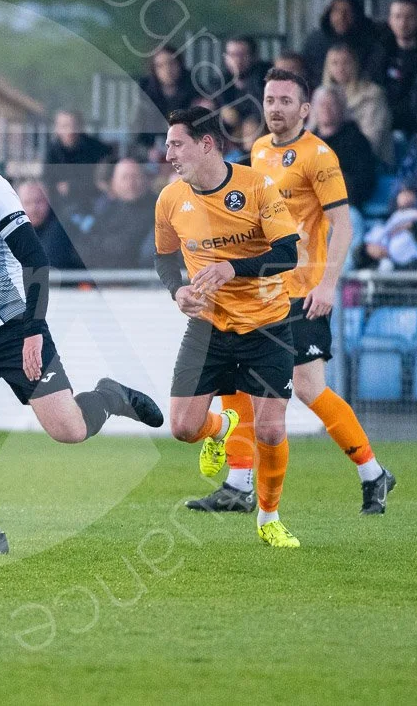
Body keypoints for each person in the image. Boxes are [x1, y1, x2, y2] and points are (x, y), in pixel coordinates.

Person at [0, 107, 163, 555]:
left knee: (69, 431)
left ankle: (109, 396)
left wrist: (33, 330)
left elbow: (36, 260)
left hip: (12, 331)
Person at [190, 70, 395, 517]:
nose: (275, 108)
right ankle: (238, 485)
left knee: (308, 388)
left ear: (304, 109)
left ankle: (373, 472)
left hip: (304, 294)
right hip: (263, 293)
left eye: (285, 100)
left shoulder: (319, 156)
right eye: (269, 100)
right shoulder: (259, 151)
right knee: (236, 378)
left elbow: (343, 224)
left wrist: (328, 284)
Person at [155, 105, 304, 546]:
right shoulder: (170, 199)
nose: (168, 155)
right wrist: (176, 291)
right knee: (182, 428)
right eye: (167, 145)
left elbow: (288, 254)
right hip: (208, 328)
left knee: (270, 430)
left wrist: (231, 269)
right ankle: (219, 429)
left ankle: (268, 517)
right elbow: (164, 258)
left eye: (176, 144)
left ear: (206, 144)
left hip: (267, 325)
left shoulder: (256, 186)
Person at [368, 0, 417, 137]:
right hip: (387, 122)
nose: (403, 23)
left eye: (409, 17)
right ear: (390, 21)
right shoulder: (380, 51)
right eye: (397, 17)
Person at [76, 157, 156, 270]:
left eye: (135, 176)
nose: (131, 183)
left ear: (144, 179)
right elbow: (87, 247)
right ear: (114, 183)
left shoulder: (158, 209)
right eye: (125, 178)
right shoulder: (103, 212)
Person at [307, 85, 378, 207]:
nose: (326, 109)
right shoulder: (305, 142)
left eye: (332, 104)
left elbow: (364, 182)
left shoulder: (356, 140)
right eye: (322, 104)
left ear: (341, 108)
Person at [322, 43, 392, 164]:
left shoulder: (372, 94)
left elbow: (373, 138)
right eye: (334, 63)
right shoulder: (322, 94)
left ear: (355, 65)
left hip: (367, 159)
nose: (340, 68)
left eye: (346, 62)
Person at [41, 109, 113, 218]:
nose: (70, 130)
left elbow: (101, 183)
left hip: (94, 205)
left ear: (81, 126)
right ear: (57, 128)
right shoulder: (52, 151)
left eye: (74, 125)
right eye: (65, 126)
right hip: (62, 208)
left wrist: (71, 187)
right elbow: (47, 183)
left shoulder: (98, 149)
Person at [300, 0, 380, 84]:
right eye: (336, 11)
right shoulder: (315, 41)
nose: (341, 17)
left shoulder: (370, 41)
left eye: (348, 12)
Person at [137, 46, 198, 151]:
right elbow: (138, 133)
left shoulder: (194, 88)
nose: (167, 70)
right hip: (153, 152)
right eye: (160, 66)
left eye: (172, 63)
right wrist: (148, 150)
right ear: (154, 70)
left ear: (180, 64)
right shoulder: (145, 93)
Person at [17, 179, 84, 271]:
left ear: (48, 201)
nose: (34, 208)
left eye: (38, 201)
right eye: (27, 203)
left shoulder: (64, 230)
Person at [215, 36, 270, 129]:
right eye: (232, 55)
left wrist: (253, 121)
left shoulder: (265, 79)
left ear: (254, 56)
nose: (237, 60)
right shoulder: (220, 82)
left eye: (242, 55)